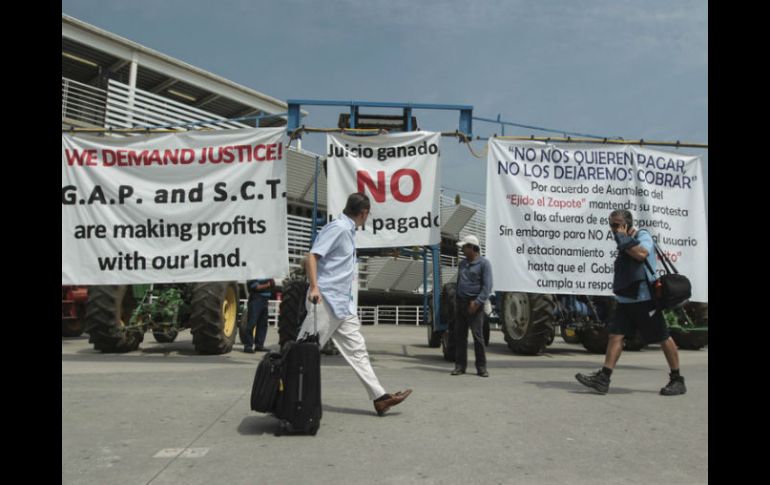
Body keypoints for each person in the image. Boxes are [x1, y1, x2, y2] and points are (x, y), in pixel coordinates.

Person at [296, 192, 412, 416]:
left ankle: (380, 398)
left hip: (342, 305)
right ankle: (283, 395)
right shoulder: (338, 228)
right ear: (364, 212)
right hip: (326, 301)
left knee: (358, 351)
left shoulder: (348, 231)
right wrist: (314, 287)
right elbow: (312, 256)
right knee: (303, 352)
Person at [575, 209, 686, 396]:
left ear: (627, 224)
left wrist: (622, 237)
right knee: (615, 336)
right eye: (611, 225)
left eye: (617, 224)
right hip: (626, 300)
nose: (613, 229)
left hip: (645, 300)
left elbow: (641, 254)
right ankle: (604, 378)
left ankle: (677, 380)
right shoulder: (623, 240)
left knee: (662, 337)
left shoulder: (642, 236)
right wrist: (621, 238)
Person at [451, 234, 493, 377]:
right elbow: (459, 283)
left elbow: (487, 287)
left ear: (472, 248)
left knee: (478, 336)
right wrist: (457, 301)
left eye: (464, 247)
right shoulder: (462, 264)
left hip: (475, 304)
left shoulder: (484, 264)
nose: (462, 249)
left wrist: (477, 302)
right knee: (460, 336)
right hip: (461, 303)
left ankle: (481, 367)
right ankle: (460, 366)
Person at [243, 278, 274, 353]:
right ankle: (248, 346)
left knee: (263, 324)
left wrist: (272, 283)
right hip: (256, 298)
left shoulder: (266, 275)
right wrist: (268, 284)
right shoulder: (253, 275)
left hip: (265, 299)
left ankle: (259, 345)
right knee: (251, 323)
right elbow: (256, 287)